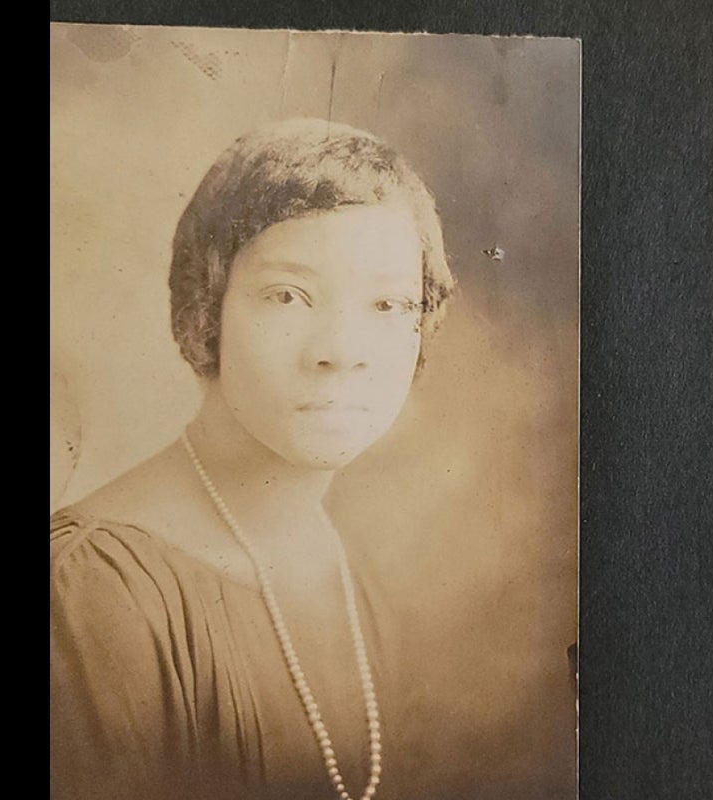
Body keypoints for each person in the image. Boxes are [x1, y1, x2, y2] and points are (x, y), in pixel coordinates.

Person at [50, 118, 455, 800]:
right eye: (288, 296)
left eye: (389, 303)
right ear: (207, 311)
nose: (342, 350)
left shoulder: (365, 571)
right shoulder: (93, 589)